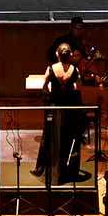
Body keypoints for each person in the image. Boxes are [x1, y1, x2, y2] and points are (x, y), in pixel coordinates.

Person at [31, 42, 84, 182]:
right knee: (68, 137)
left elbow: (44, 87)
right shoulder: (75, 70)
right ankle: (67, 169)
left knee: (51, 136)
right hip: (69, 110)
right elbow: (78, 88)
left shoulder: (51, 68)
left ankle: (51, 167)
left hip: (54, 108)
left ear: (57, 54)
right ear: (70, 55)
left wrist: (50, 96)